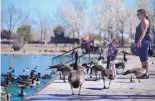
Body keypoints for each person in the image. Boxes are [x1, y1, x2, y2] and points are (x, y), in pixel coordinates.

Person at [135, 9, 151, 79]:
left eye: (138, 14)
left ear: (143, 14)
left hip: (144, 41)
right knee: (142, 59)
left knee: (145, 58)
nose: (137, 16)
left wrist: (140, 41)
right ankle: (143, 73)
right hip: (142, 41)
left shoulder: (144, 21)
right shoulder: (142, 21)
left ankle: (146, 74)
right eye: (137, 14)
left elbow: (144, 32)